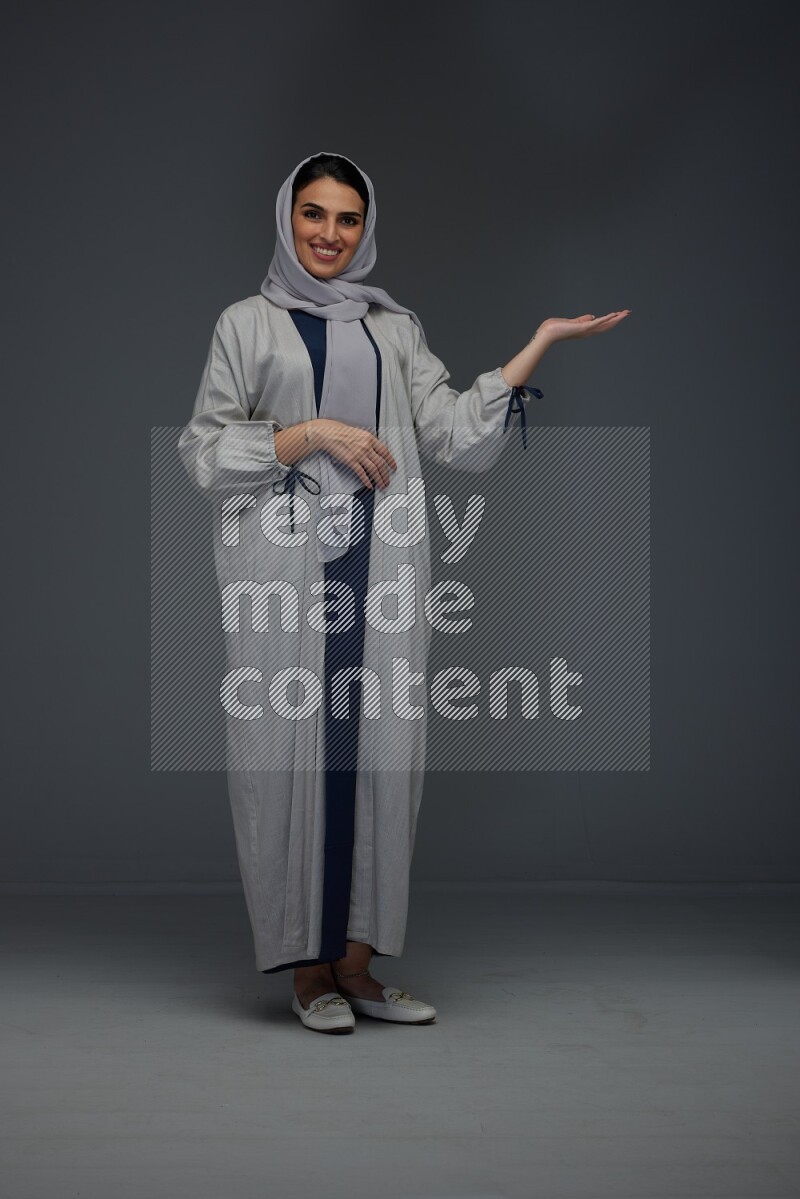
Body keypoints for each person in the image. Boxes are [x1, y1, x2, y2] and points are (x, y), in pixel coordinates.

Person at [178, 150, 630, 1034]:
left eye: (347, 219)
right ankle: (308, 973)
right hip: (288, 578)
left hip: (378, 574)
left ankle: (357, 966)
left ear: (366, 229)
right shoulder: (245, 325)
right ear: (287, 217)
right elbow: (201, 452)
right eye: (314, 213)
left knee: (380, 757)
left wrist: (533, 346)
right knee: (289, 758)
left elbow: (452, 432)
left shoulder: (394, 330)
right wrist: (312, 433)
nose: (329, 235)